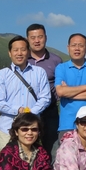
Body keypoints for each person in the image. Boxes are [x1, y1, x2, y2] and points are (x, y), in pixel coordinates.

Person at [0, 36, 51, 149]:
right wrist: (18, 110)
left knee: (32, 159)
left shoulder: (39, 72)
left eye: (23, 50)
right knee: (8, 160)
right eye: (15, 50)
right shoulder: (1, 75)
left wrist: (30, 112)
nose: (19, 53)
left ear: (28, 52)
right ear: (10, 53)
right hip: (7, 128)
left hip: (32, 130)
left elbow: (45, 98)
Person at [55, 33, 86, 146]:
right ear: (68, 48)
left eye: (81, 45)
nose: (77, 48)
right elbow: (60, 92)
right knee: (67, 156)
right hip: (68, 123)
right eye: (74, 45)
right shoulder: (61, 68)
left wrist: (69, 93)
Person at [26, 23, 63, 161]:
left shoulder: (56, 60)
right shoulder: (23, 58)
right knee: (28, 148)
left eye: (40, 37)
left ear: (45, 38)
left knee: (53, 148)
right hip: (28, 111)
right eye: (33, 37)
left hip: (50, 111)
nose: (37, 41)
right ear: (28, 39)